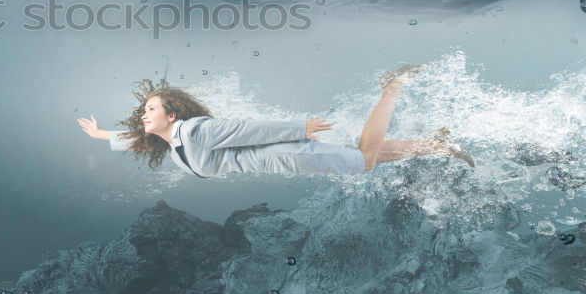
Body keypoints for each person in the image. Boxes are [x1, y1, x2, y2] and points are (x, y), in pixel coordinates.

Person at [77, 65, 474, 178]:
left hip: (293, 155)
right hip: (287, 156)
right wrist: (101, 135)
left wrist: (298, 127)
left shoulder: (194, 131)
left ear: (173, 114)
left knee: (365, 160)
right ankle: (438, 144)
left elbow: (246, 129)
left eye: (151, 108)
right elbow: (138, 139)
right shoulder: (172, 139)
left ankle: (393, 87)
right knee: (360, 155)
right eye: (145, 111)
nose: (144, 114)